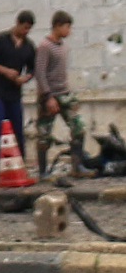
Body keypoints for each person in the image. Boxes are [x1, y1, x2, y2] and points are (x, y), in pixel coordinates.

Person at [0, 10, 36, 168]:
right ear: (17, 24)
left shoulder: (28, 46)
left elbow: (33, 68)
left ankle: (20, 163)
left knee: (17, 128)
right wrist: (5, 71)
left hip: (14, 94)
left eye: (28, 29)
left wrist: (25, 78)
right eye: (24, 27)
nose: (25, 32)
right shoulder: (0, 40)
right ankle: (1, 164)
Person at [35, 9, 85, 178]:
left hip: (65, 94)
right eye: (67, 27)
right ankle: (42, 172)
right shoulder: (44, 47)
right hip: (50, 95)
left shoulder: (63, 46)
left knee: (78, 128)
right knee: (44, 135)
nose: (69, 31)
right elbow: (40, 73)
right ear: (57, 26)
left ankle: (77, 167)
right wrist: (48, 97)